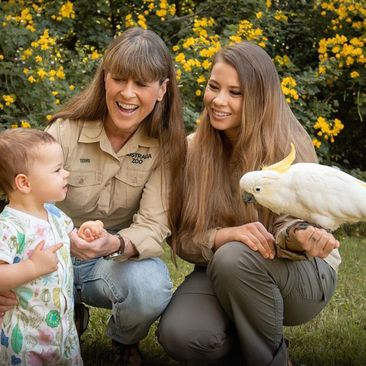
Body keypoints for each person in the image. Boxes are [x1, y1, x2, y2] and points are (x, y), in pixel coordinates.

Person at [0, 27, 186, 366]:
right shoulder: (65, 131)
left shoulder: (167, 147)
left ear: (162, 90)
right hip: (49, 260)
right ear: (105, 79)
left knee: (151, 285)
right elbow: (21, 208)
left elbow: (153, 226)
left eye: (142, 84)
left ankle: (124, 341)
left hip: (109, 262)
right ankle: (67, 313)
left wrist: (112, 245)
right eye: (119, 79)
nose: (127, 93)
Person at [157, 41, 341, 366]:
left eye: (235, 93)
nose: (219, 100)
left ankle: (272, 359)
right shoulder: (191, 151)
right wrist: (223, 236)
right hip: (221, 269)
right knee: (181, 335)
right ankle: (248, 335)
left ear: (258, 97)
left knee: (233, 259)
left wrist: (299, 236)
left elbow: (298, 225)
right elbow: (181, 238)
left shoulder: (289, 146)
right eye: (214, 87)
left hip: (302, 272)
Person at [0, 128, 83, 365]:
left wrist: (88, 233)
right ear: (24, 183)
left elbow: (74, 238)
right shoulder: (10, 227)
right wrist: (32, 268)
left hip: (63, 333)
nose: (66, 174)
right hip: (27, 339)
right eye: (57, 170)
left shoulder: (54, 213)